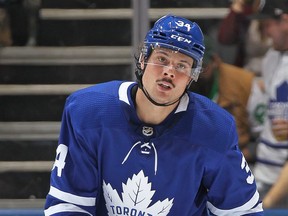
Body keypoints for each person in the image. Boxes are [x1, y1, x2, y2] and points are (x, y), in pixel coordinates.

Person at [44, 14, 263, 215]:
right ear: (142, 59)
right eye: (162, 59)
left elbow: (241, 211)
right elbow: (69, 204)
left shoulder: (214, 128)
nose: (170, 71)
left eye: (182, 65)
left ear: (192, 77)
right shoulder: (89, 110)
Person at [190, 35, 265, 164]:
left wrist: (249, 153)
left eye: (202, 67)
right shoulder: (176, 83)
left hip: (236, 156)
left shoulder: (242, 82)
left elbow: (263, 130)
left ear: (215, 61)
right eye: (190, 67)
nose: (195, 74)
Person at [250, 0, 288, 209]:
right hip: (264, 172)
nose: (265, 32)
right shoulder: (270, 58)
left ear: (285, 20)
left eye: (267, 25)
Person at [217, 0, 271, 76]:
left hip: (277, 71)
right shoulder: (246, 13)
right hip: (247, 73)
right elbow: (224, 38)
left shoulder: (278, 14)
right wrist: (235, 11)